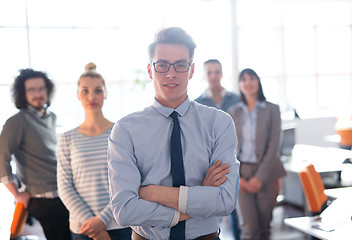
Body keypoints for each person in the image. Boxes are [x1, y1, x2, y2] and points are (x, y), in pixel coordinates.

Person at [107, 27, 240, 240]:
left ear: (192, 70)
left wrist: (152, 193)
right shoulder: (125, 129)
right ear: (150, 70)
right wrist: (197, 197)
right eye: (162, 65)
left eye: (180, 65)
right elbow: (124, 210)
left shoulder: (219, 123)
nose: (171, 73)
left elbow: (225, 201)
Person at [0, 69, 70, 240]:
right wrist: (17, 194)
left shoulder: (51, 117)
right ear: (22, 93)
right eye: (31, 90)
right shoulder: (17, 122)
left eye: (41, 89)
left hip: (63, 191)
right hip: (44, 199)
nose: (38, 94)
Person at [57, 63, 132, 240]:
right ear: (77, 95)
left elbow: (128, 182)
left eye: (98, 90)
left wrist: (103, 220)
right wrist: (94, 226)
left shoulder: (121, 133)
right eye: (85, 91)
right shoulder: (67, 139)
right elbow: (64, 187)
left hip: (119, 223)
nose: (92, 96)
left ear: (105, 94)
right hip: (84, 228)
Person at [228, 68, 286, 240]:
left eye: (252, 78)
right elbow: (228, 147)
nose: (248, 82)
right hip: (242, 173)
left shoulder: (272, 110)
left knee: (264, 227)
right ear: (239, 85)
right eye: (243, 79)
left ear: (258, 82)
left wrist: (259, 178)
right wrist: (239, 177)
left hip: (267, 172)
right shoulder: (233, 112)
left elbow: (274, 146)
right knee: (249, 229)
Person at [195, 59, 241, 240]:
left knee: (236, 211)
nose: (213, 76)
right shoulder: (198, 104)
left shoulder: (236, 99)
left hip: (236, 161)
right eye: (209, 72)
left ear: (221, 73)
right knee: (211, 211)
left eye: (217, 72)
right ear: (205, 75)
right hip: (211, 166)